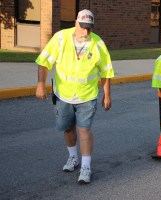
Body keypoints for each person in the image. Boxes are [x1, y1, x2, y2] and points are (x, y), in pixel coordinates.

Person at [35, 9, 114, 184]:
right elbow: (44, 61)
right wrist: (41, 84)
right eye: (83, 27)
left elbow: (106, 71)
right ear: (76, 23)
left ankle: (86, 167)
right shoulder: (61, 38)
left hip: (87, 95)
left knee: (84, 129)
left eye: (89, 28)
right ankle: (73, 157)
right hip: (63, 94)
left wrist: (107, 95)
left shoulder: (97, 43)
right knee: (68, 128)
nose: (86, 32)